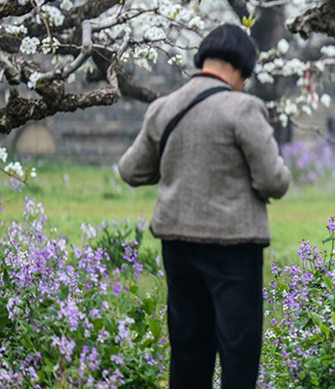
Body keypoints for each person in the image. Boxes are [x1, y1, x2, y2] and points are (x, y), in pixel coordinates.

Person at [118, 24, 291, 389]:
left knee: (188, 348)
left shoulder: (164, 108)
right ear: (241, 69)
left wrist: (176, 172)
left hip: (177, 243)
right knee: (238, 350)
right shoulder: (243, 108)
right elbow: (273, 181)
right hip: (233, 246)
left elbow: (132, 171)